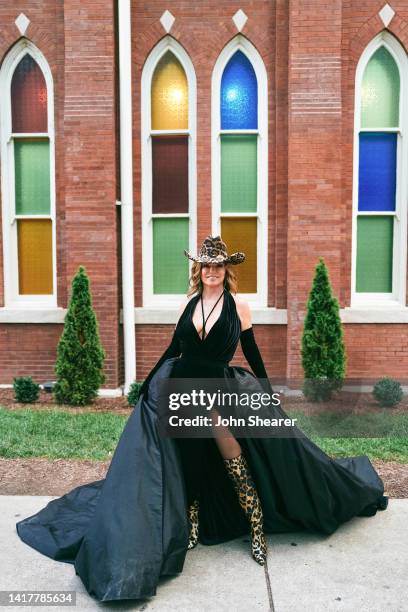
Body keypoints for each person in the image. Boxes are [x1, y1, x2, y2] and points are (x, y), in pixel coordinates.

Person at [15, 235, 388, 603]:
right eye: (206, 265)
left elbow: (252, 350)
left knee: (232, 454)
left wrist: (267, 389)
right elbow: (173, 348)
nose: (212, 270)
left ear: (227, 269)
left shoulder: (238, 306)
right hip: (181, 386)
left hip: (218, 388)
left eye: (217, 265)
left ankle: (256, 527)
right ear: (200, 268)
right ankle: (192, 523)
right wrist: (148, 382)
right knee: (190, 458)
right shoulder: (188, 303)